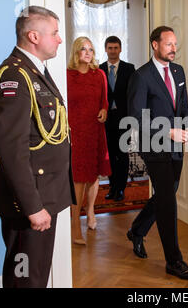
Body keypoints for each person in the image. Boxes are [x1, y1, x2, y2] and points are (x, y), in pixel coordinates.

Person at [0, 6, 76, 288]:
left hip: (45, 195)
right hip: (30, 203)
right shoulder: (14, 76)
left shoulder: (35, 71)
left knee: (35, 274)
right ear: (34, 36)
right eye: (55, 33)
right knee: (25, 278)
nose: (60, 40)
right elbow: (12, 150)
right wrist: (32, 206)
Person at [126, 26, 188, 280]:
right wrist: (169, 132)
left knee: (166, 194)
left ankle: (137, 229)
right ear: (155, 45)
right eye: (168, 44)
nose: (173, 49)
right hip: (155, 145)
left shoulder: (178, 71)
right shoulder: (141, 76)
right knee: (168, 201)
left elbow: (184, 106)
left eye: (175, 44)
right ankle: (174, 261)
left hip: (177, 144)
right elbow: (135, 117)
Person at [67, 36, 111, 245]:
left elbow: (105, 100)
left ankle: (90, 210)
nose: (87, 53)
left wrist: (104, 110)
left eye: (91, 50)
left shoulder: (99, 74)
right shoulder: (66, 75)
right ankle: (75, 223)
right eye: (83, 49)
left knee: (93, 174)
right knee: (77, 177)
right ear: (76, 52)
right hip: (75, 131)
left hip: (95, 129)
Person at [99, 36, 135, 202]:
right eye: (110, 48)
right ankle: (112, 187)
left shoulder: (129, 69)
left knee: (122, 154)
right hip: (105, 119)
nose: (113, 51)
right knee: (110, 155)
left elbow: (133, 94)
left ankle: (121, 189)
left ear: (120, 49)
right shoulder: (99, 70)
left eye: (116, 48)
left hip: (124, 118)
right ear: (105, 49)